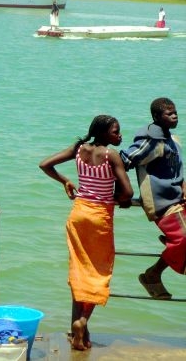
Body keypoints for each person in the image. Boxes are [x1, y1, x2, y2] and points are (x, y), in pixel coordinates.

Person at [39, 115, 133, 350]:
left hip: (78, 215)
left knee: (80, 269)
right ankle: (81, 322)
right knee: (98, 271)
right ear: (102, 133)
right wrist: (118, 199)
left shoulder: (79, 149)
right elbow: (128, 192)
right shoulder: (111, 156)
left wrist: (65, 181)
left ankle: (79, 333)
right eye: (115, 132)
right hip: (99, 218)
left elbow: (45, 164)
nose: (120, 135)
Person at [120, 98, 185, 299]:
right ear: (156, 117)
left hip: (178, 199)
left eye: (175, 112)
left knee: (183, 241)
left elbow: (179, 170)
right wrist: (123, 193)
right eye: (168, 113)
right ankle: (153, 274)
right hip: (162, 203)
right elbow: (124, 160)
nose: (174, 116)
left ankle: (173, 244)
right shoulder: (150, 141)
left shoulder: (174, 140)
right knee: (185, 239)